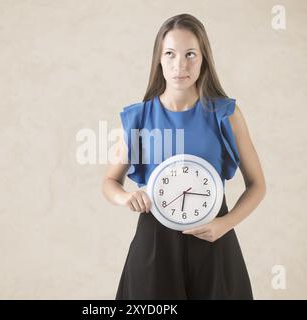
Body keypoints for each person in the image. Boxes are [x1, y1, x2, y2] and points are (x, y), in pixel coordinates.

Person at [102, 13, 266, 299]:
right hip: (154, 244)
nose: (180, 65)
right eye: (170, 54)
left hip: (214, 239)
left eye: (191, 54)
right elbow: (109, 182)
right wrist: (126, 197)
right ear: (159, 59)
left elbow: (258, 185)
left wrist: (224, 225)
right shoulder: (138, 118)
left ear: (204, 59)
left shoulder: (226, 114)